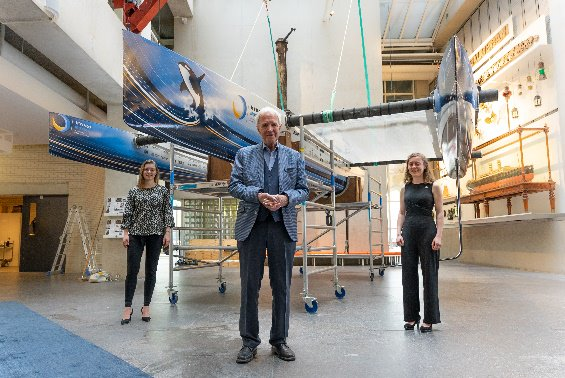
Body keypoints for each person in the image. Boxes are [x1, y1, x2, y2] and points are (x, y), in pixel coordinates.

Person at [229, 106, 309, 363]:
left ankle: (279, 340)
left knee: (282, 287)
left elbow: (303, 190)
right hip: (251, 227)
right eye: (265, 125)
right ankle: (249, 342)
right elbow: (234, 186)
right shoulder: (244, 155)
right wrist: (258, 195)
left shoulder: (294, 157)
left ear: (280, 127)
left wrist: (286, 198)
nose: (270, 129)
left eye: (274, 124)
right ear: (258, 129)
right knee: (249, 286)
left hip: (282, 227)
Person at [120, 159, 174, 325]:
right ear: (142, 172)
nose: (149, 172)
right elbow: (128, 212)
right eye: (146, 169)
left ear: (156, 172)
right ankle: (128, 307)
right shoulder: (134, 191)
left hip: (156, 235)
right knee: (132, 270)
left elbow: (167, 212)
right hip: (136, 234)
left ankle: (146, 306)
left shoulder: (162, 191)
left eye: (152, 170)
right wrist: (125, 233)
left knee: (151, 271)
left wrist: (167, 232)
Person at [396, 152, 443, 333]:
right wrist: (398, 233)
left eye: (417, 164)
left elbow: (439, 213)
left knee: (429, 275)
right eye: (410, 164)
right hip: (408, 232)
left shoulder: (433, 186)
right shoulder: (405, 189)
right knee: (408, 275)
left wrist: (439, 236)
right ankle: (411, 316)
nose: (414, 167)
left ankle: (429, 318)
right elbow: (401, 213)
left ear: (424, 166)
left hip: (427, 232)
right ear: (408, 167)